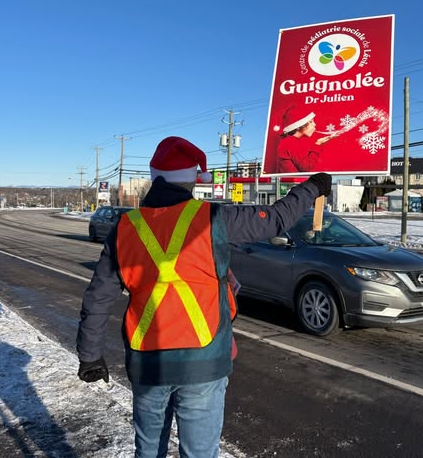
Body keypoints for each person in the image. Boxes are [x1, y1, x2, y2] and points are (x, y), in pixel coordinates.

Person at [76, 135, 332, 458]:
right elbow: (276, 218)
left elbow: (98, 296)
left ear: (155, 178)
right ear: (192, 180)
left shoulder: (125, 228)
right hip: (203, 361)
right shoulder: (214, 219)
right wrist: (313, 186)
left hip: (147, 363)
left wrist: (90, 355)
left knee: (148, 452)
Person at [275, 105, 334, 174]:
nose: (314, 124)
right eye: (311, 122)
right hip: (291, 181)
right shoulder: (290, 142)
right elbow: (306, 168)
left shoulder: (289, 141)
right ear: (298, 126)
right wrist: (318, 144)